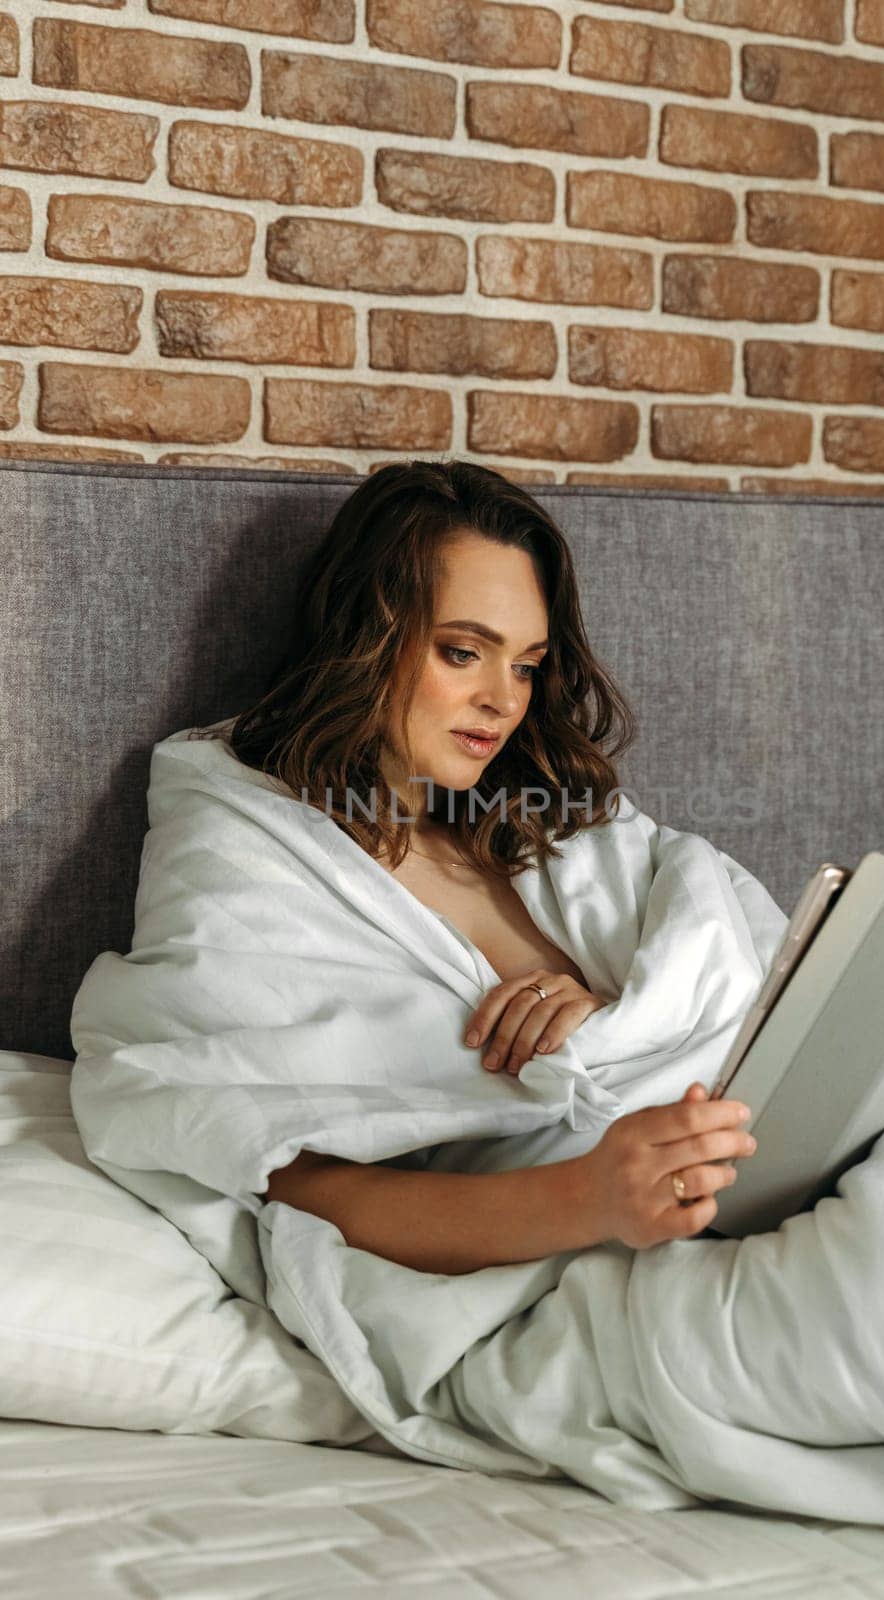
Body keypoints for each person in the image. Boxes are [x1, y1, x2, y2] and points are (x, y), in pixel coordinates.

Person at [197, 458, 757, 1276]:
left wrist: (609, 1014)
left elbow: (724, 984)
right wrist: (591, 1196)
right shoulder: (258, 863)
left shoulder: (553, 826)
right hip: (588, 1245)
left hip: (746, 1167)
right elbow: (287, 1180)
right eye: (464, 652)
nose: (504, 699)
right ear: (366, 640)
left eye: (526, 664)